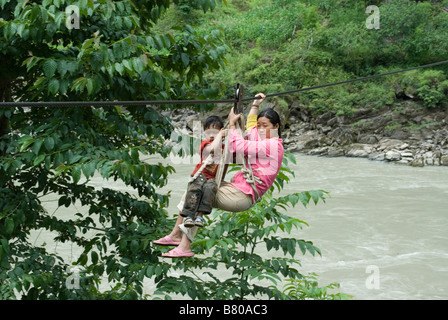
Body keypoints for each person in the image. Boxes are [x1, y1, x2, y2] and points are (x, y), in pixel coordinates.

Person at [155, 93, 284, 258]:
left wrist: (231, 124)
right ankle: (175, 235)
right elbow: (251, 127)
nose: (259, 129)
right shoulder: (261, 137)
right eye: (259, 125)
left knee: (197, 194)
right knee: (192, 189)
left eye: (264, 125)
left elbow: (237, 145)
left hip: (242, 195)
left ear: (276, 127)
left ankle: (184, 245)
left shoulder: (272, 145)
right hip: (237, 188)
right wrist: (255, 105)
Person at [153, 115, 225, 247]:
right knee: (194, 191)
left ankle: (199, 216)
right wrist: (220, 135)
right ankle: (187, 217)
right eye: (209, 132)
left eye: (215, 132)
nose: (212, 135)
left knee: (208, 190)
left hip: (211, 179)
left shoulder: (224, 147)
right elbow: (211, 149)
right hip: (200, 176)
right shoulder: (205, 144)